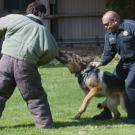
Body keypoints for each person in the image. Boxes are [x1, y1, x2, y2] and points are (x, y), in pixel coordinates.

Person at [0, 1, 59, 129]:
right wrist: (37, 62)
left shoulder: (14, 18)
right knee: (35, 96)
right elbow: (52, 52)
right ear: (40, 13)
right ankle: (45, 126)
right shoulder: (43, 31)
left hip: (5, 61)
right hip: (26, 64)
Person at [91, 10, 135, 124]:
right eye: (104, 25)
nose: (106, 27)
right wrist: (100, 63)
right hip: (124, 62)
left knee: (129, 86)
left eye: (107, 24)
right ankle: (106, 113)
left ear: (115, 20)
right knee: (111, 83)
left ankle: (132, 118)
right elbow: (108, 53)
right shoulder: (110, 34)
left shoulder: (131, 26)